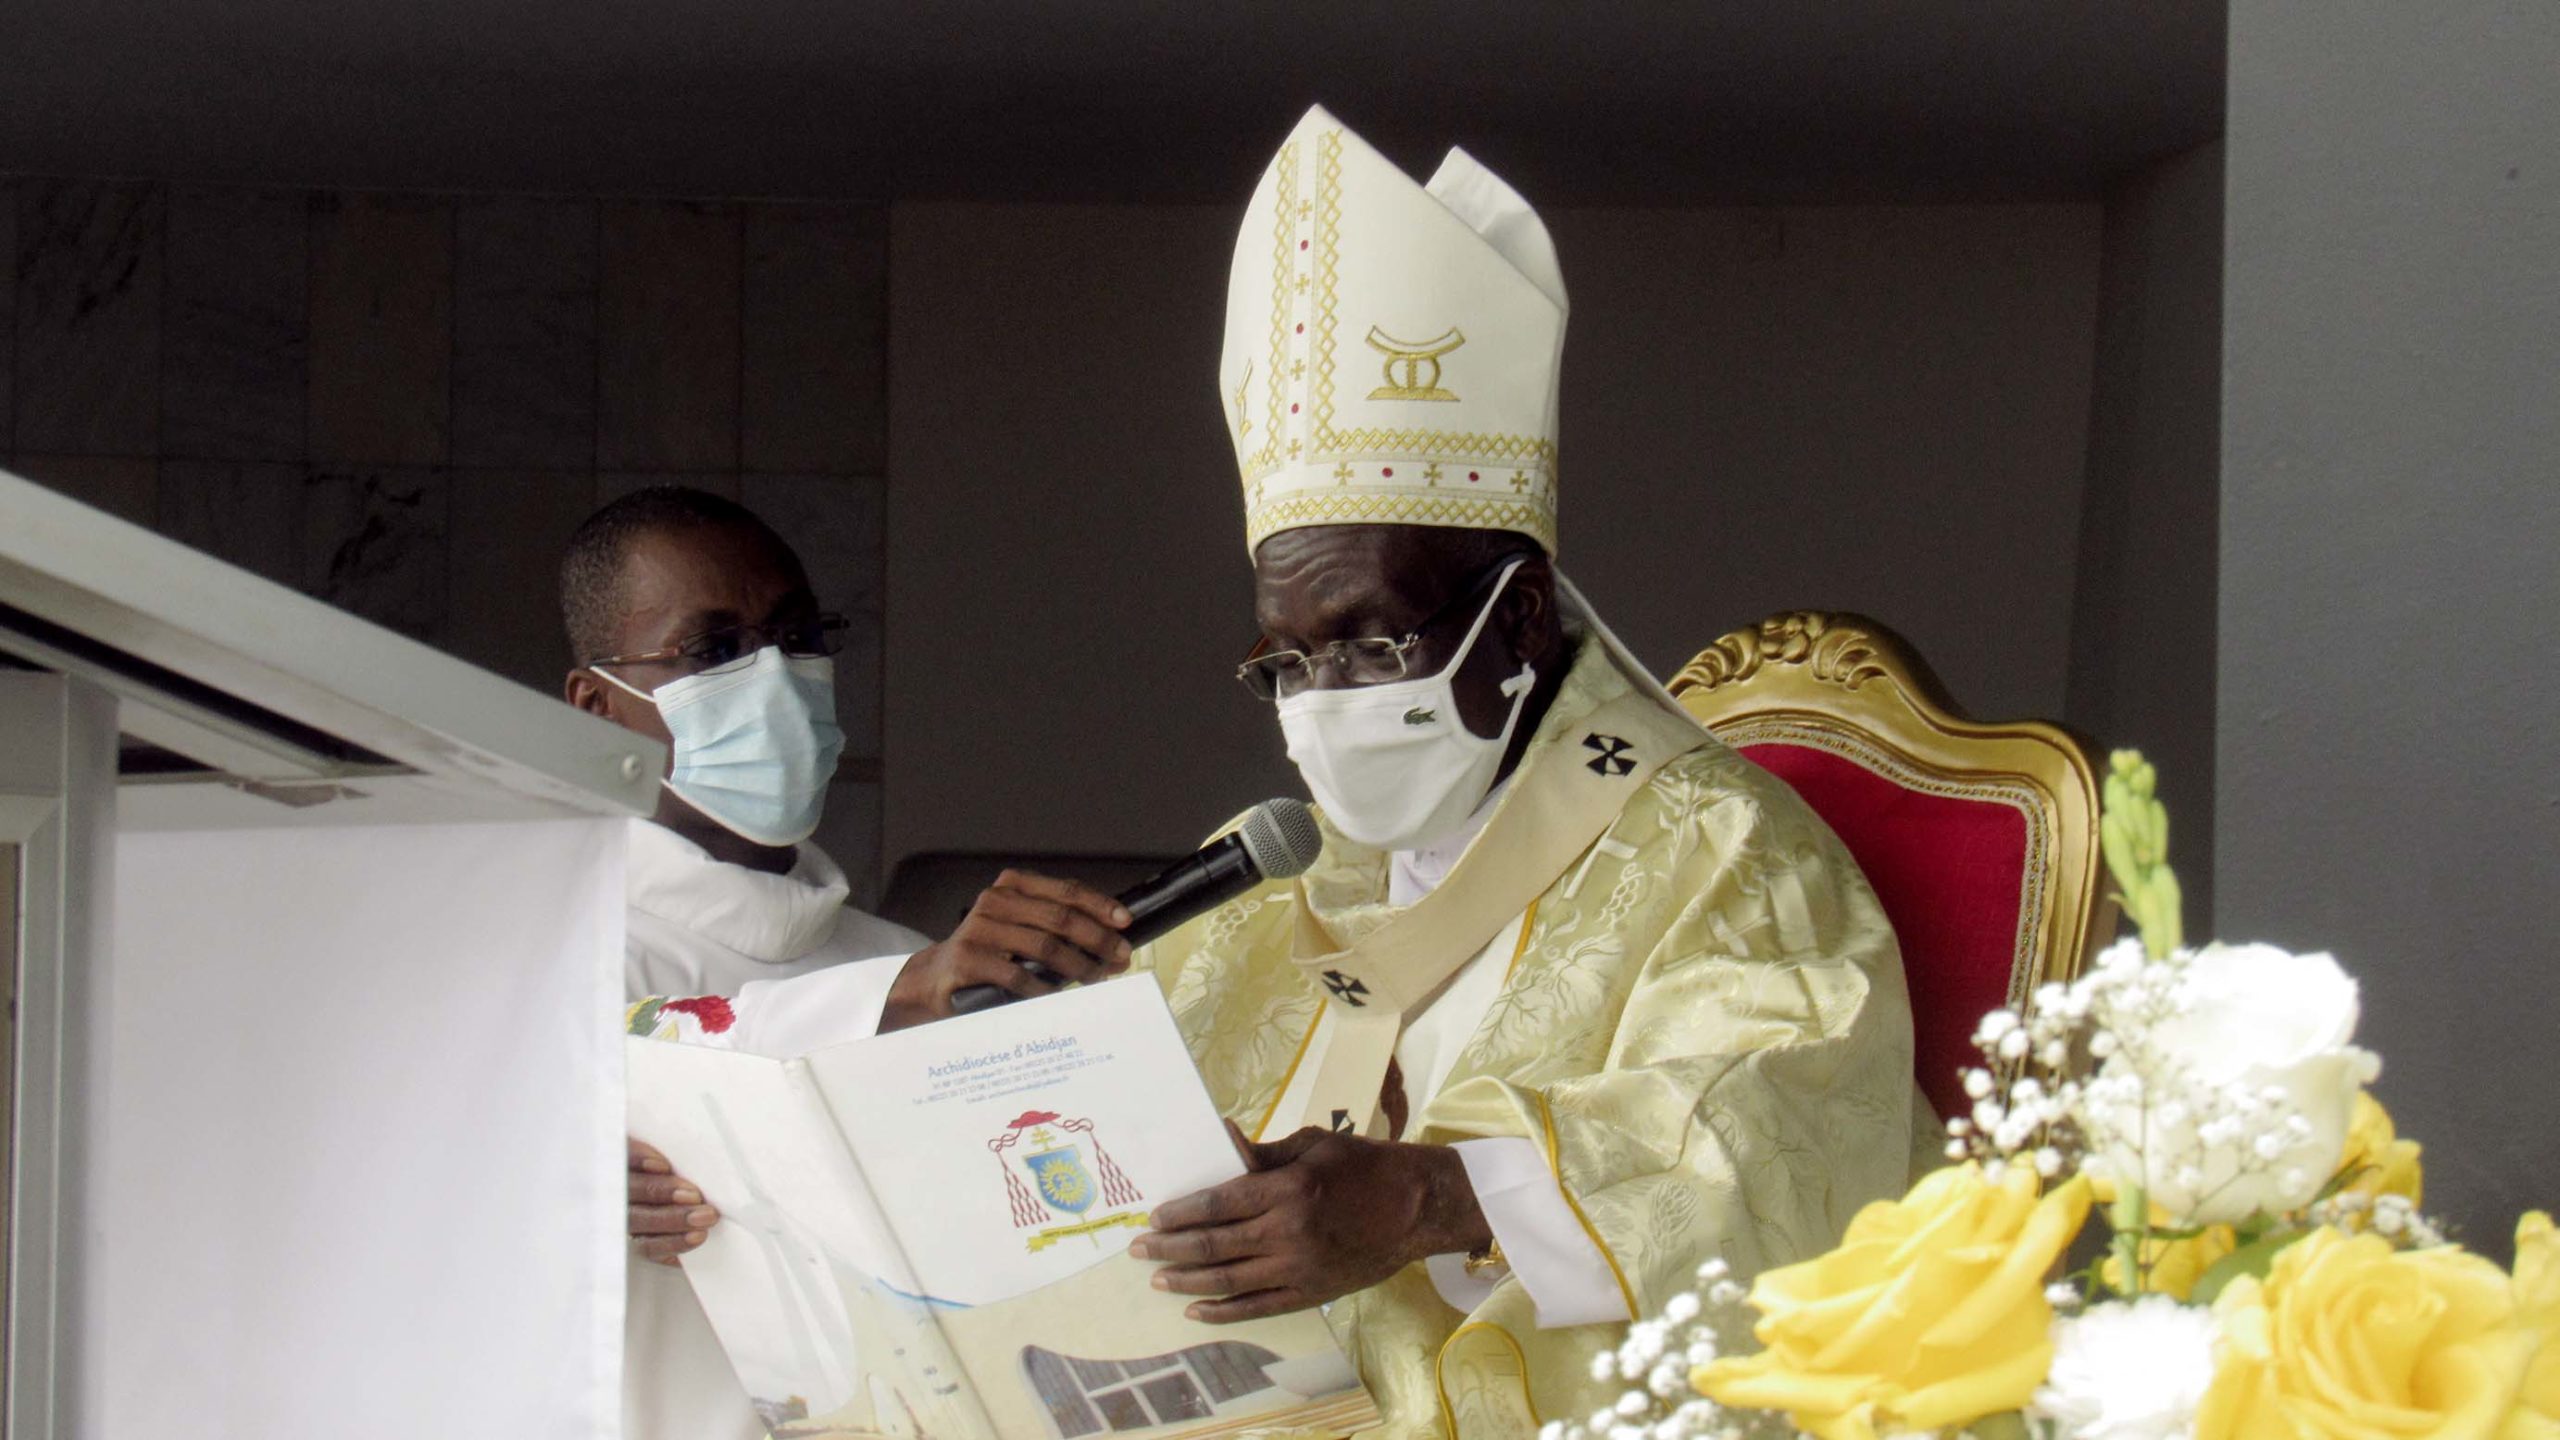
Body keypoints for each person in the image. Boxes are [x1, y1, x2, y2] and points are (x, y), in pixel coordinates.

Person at [1118, 107, 1919, 1437]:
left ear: (1524, 617)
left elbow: (1781, 1147)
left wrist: (1433, 1200)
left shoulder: (1721, 849)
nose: (1328, 703)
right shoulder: (1279, 872)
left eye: (1372, 643)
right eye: (1289, 661)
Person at [565, 486, 1133, 1440]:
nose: (774, 679)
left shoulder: (903, 960)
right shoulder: (558, 957)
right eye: (713, 650)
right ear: (598, 708)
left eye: (796, 637)